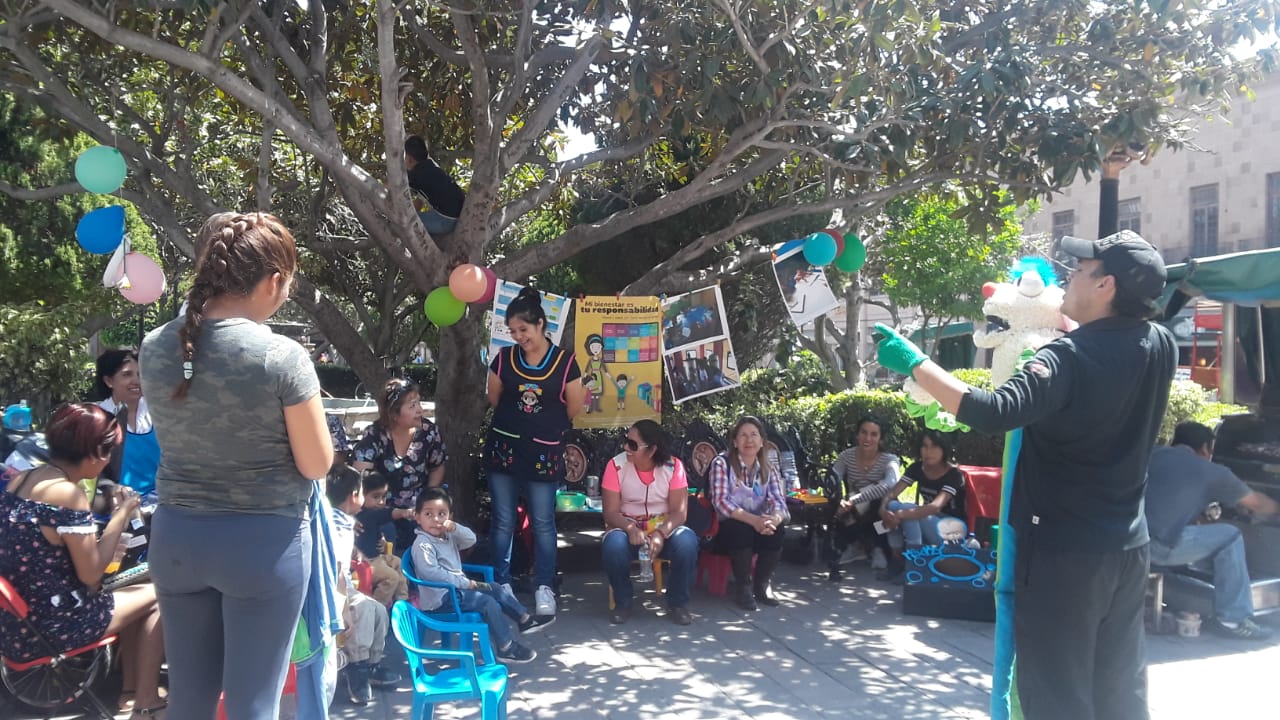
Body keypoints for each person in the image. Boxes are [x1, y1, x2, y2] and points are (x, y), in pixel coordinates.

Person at [879, 228, 1175, 720]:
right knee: (1119, 686)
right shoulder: (1160, 345)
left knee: (1056, 691)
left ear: (1106, 287)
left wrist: (916, 364)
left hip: (1064, 555)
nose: (1067, 282)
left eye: (1079, 273)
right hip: (1127, 547)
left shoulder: (1067, 357)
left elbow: (994, 410)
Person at [140, 212, 334, 720]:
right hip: (261, 547)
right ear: (273, 281)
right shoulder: (281, 356)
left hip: (177, 537)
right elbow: (316, 464)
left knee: (188, 699)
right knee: (253, 704)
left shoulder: (155, 347)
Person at [0, 404, 166, 719]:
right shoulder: (67, 493)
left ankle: (131, 692)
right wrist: (122, 513)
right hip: (58, 624)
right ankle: (145, 700)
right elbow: (91, 574)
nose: (108, 462)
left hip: (19, 626)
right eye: (109, 453)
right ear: (94, 455)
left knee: (138, 591)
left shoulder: (22, 481)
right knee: (159, 594)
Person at [485, 286, 586, 618]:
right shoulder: (503, 359)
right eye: (513, 331)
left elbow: (573, 407)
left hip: (544, 451)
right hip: (504, 448)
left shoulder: (566, 363)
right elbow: (495, 398)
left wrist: (541, 426)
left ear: (541, 324)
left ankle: (544, 585)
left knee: (543, 522)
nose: (518, 337)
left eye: (523, 330)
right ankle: (500, 585)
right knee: (503, 520)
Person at [1145, 422, 1280, 640]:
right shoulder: (1212, 471)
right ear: (1205, 448)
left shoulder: (1152, 455)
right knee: (1230, 536)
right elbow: (1255, 503)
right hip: (1158, 548)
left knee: (1205, 534)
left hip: (1128, 539)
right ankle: (1233, 619)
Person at [410, 488, 549, 663]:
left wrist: (455, 528)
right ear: (417, 516)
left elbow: (470, 540)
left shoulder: (447, 536)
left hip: (458, 591)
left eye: (441, 514)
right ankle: (506, 647)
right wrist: (463, 583)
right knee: (486, 602)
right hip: (441, 599)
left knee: (495, 588)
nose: (436, 519)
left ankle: (524, 618)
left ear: (449, 516)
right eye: (428, 514)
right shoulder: (423, 544)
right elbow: (431, 573)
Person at [600, 420, 699, 626]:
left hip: (664, 531)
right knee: (613, 546)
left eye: (633, 445)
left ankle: (678, 603)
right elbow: (610, 513)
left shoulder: (674, 467)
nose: (626, 448)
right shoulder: (615, 466)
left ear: (652, 449)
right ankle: (623, 602)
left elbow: (679, 513)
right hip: (627, 530)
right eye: (626, 442)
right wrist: (629, 528)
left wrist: (661, 534)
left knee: (687, 542)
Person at [325, 466, 400, 705]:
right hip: (332, 587)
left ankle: (372, 664)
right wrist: (344, 607)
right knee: (364, 609)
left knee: (377, 609)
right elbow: (335, 567)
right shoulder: (336, 523)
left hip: (343, 584)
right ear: (353, 496)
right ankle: (357, 667)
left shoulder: (343, 519)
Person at [352, 378, 447, 553]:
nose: (420, 409)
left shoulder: (429, 432)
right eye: (412, 406)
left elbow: (437, 466)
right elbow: (359, 477)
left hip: (416, 508)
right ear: (394, 414)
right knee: (381, 540)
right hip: (381, 509)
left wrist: (427, 499)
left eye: (418, 402)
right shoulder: (374, 436)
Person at [709, 416, 789, 611]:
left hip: (759, 525)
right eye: (743, 435)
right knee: (739, 529)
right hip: (727, 529)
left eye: (754, 435)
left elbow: (780, 502)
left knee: (777, 530)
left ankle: (762, 584)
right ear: (735, 442)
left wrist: (774, 519)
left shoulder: (768, 468)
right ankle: (743, 586)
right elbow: (720, 503)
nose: (749, 440)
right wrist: (753, 520)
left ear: (762, 442)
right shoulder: (721, 463)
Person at [824, 417, 901, 582]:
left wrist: (855, 499)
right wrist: (838, 500)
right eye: (864, 433)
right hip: (853, 507)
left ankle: (877, 547)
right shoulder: (846, 456)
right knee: (845, 511)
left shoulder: (890, 460)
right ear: (858, 435)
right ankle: (858, 545)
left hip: (878, 508)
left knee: (879, 504)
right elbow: (832, 478)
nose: (868, 438)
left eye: (874, 434)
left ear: (880, 438)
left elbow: (890, 484)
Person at [880, 429, 968, 561]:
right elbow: (892, 493)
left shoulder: (954, 475)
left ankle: (913, 562)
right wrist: (882, 509)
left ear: (944, 449)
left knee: (906, 510)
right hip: (930, 520)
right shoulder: (917, 468)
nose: (928, 451)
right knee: (892, 505)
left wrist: (900, 514)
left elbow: (935, 507)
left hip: (952, 529)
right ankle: (896, 558)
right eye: (924, 446)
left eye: (934, 446)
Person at [95, 348, 160, 496]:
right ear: (108, 381)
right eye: (127, 375)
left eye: (139, 374)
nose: (136, 381)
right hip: (116, 502)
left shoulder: (156, 412)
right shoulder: (98, 419)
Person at [353, 471, 410, 607]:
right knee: (391, 577)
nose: (381, 502)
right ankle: (377, 607)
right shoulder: (364, 515)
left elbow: (376, 529)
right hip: (366, 562)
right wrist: (403, 512)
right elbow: (387, 514)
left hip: (377, 558)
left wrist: (382, 540)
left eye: (384, 497)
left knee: (397, 562)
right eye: (375, 497)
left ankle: (402, 601)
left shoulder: (369, 515)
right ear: (360, 495)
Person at [404, 135, 466, 235]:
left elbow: (391, 186)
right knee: (414, 217)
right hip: (461, 216)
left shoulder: (415, 176)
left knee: (403, 220)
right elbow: (419, 202)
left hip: (447, 221)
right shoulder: (431, 166)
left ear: (410, 159)